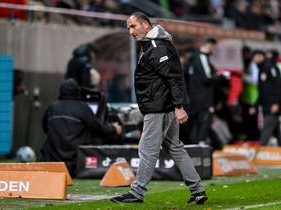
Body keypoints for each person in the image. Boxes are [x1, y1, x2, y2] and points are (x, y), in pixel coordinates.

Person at [111, 12, 207, 204]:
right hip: (163, 105)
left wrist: (178, 106)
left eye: (133, 26)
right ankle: (197, 190)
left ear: (146, 24)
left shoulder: (156, 46)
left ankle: (137, 193)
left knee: (147, 149)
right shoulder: (153, 45)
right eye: (128, 27)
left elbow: (174, 77)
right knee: (175, 147)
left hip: (160, 107)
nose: (130, 31)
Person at [38, 79, 122, 176]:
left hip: (53, 158)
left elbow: (45, 129)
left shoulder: (52, 107)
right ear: (77, 91)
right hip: (76, 159)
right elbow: (99, 128)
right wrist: (114, 128)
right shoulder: (82, 107)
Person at [184, 37, 218, 145]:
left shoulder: (191, 61)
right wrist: (220, 77)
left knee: (196, 122)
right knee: (204, 121)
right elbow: (206, 78)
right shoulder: (202, 58)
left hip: (192, 97)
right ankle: (199, 143)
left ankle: (195, 144)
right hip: (202, 97)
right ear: (209, 45)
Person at [258, 50, 281, 146]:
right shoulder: (263, 68)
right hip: (267, 103)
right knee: (274, 127)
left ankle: (260, 149)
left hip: (272, 103)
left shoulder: (272, 67)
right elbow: (263, 89)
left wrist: (276, 102)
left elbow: (278, 85)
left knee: (268, 125)